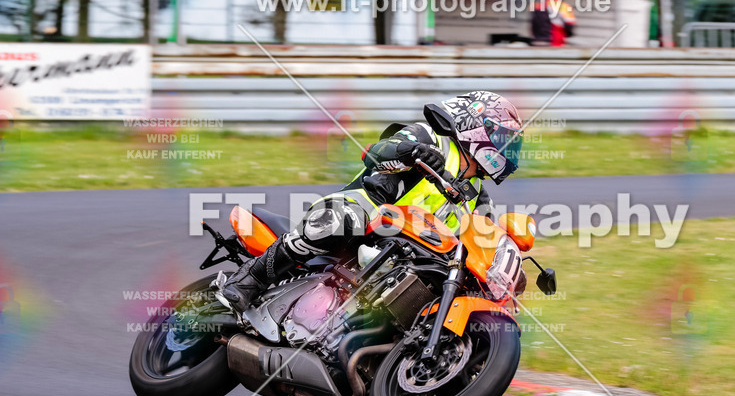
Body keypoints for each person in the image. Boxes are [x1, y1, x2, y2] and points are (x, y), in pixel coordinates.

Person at [219, 91, 525, 312]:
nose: (507, 151)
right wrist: (412, 152)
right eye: (503, 140)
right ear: (476, 126)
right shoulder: (433, 138)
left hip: (405, 251)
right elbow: (378, 152)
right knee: (343, 218)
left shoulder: (476, 195)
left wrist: (508, 274)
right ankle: (249, 279)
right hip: (369, 211)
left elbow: (483, 237)